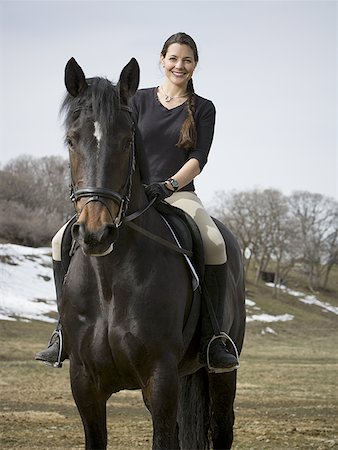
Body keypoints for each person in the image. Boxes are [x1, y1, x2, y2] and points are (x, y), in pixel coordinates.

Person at [35, 32, 238, 372]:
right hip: (129, 194)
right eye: (173, 58)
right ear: (162, 60)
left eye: (187, 60)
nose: (179, 65)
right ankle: (62, 333)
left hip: (179, 194)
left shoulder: (203, 107)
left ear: (194, 65)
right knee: (59, 241)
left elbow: (199, 157)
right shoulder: (135, 99)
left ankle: (212, 339)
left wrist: (170, 184)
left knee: (215, 243)